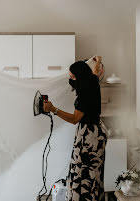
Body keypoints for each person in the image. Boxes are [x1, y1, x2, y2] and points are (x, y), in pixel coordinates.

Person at [44, 56, 108, 201]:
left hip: (89, 136)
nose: (70, 79)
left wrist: (53, 109)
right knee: (93, 172)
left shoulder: (85, 93)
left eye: (72, 77)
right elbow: (95, 71)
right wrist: (97, 60)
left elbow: (74, 119)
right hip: (98, 131)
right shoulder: (92, 80)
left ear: (79, 77)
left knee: (83, 174)